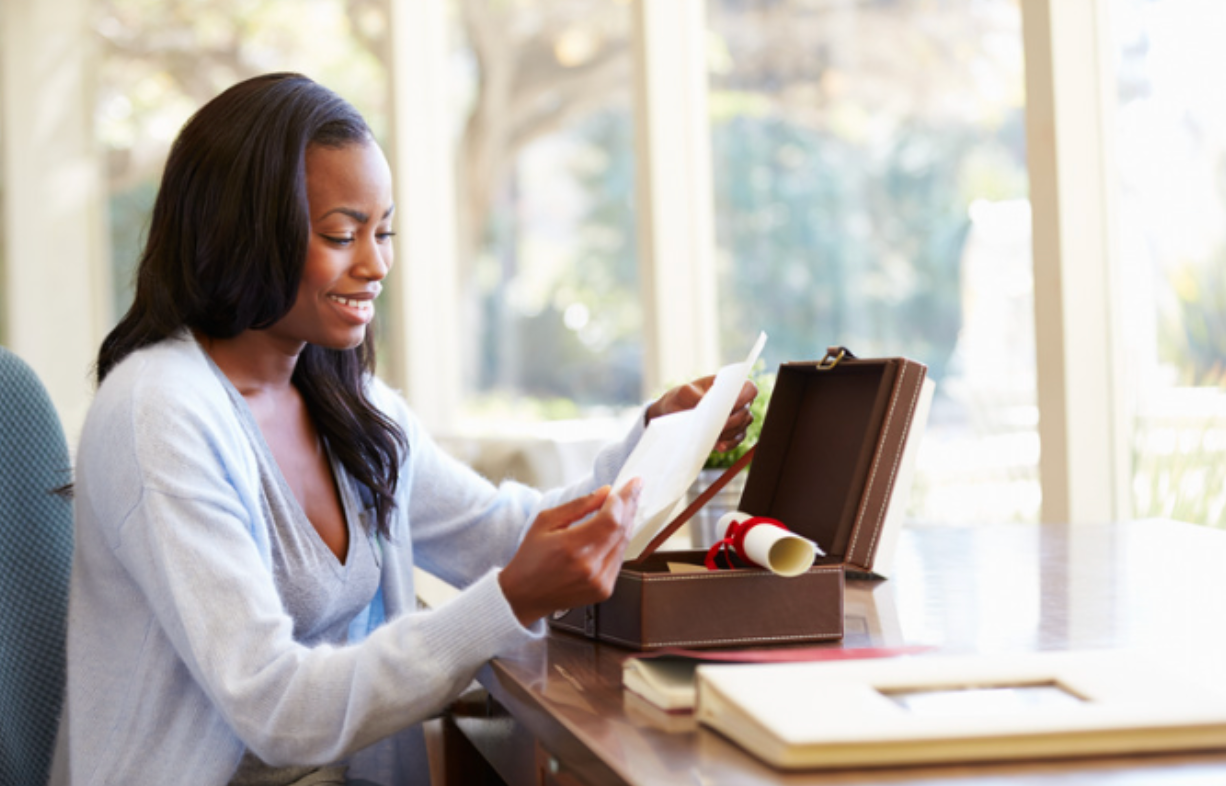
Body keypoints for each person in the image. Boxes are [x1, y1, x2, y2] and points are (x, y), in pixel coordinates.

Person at [55, 72, 755, 786]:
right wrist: (508, 600)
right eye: (341, 234)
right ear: (241, 234)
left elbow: (504, 537)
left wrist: (655, 443)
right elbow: (276, 709)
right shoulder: (158, 412)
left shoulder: (349, 404)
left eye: (383, 231)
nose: (376, 263)